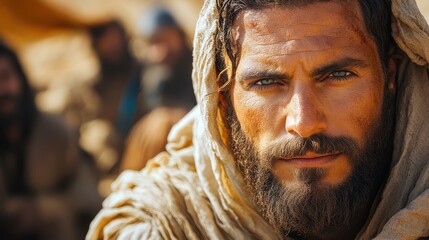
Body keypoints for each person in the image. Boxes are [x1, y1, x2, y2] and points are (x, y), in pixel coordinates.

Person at [87, 0, 429, 239]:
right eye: (267, 83)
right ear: (222, 97)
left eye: (338, 75)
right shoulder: (165, 225)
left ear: (390, 77)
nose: (304, 122)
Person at [0, 42, 101, 240]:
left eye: (5, 77)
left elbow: (89, 199)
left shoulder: (56, 133)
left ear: (20, 78)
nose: (2, 91)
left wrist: (42, 210)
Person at [120, 8, 195, 171]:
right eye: (154, 42)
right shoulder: (143, 76)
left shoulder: (199, 68)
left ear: (179, 36)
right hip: (151, 153)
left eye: (166, 39)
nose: (161, 49)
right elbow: (126, 122)